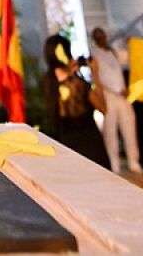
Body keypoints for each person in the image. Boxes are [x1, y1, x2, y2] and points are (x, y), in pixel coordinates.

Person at [42, 34, 109, 168]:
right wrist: (95, 73)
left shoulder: (47, 82)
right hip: (89, 143)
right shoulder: (77, 83)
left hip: (65, 144)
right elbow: (103, 108)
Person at [88, 28, 141, 173]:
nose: (101, 38)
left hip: (122, 96)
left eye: (102, 35)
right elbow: (96, 75)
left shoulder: (113, 52)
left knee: (129, 127)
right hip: (108, 95)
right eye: (97, 36)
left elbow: (130, 57)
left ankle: (133, 162)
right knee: (110, 131)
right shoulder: (94, 54)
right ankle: (114, 164)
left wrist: (132, 44)